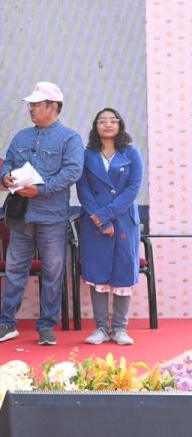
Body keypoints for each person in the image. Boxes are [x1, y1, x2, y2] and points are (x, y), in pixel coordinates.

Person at [0, 81, 83, 346]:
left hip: (52, 217)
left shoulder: (70, 138)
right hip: (21, 215)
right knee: (15, 269)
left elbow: (73, 171)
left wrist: (41, 189)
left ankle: (47, 326)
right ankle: (7, 323)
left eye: (36, 104)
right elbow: (8, 161)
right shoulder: (22, 136)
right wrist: (6, 176)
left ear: (53, 106)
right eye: (30, 105)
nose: (30, 109)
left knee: (53, 271)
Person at [76, 108, 143, 346]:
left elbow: (132, 189)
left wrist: (105, 215)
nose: (107, 124)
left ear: (120, 125)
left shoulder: (131, 152)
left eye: (112, 120)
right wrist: (100, 220)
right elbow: (83, 189)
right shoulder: (87, 155)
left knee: (123, 270)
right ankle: (101, 329)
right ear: (95, 126)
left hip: (124, 220)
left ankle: (120, 329)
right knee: (98, 271)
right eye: (102, 121)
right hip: (94, 222)